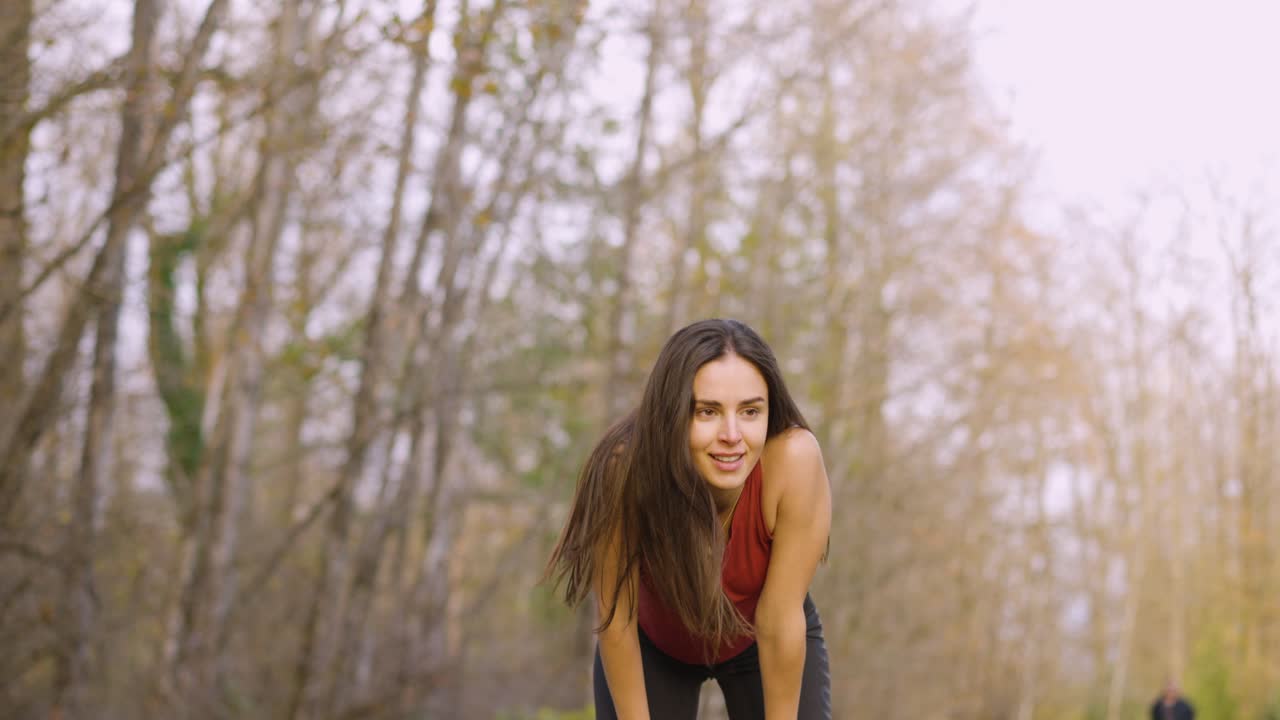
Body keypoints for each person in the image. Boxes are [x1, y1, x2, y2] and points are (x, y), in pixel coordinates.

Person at [545, 318, 833, 719]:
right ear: (672, 414)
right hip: (651, 646)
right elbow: (616, 620)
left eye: (750, 411)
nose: (732, 434)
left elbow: (779, 619)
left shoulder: (794, 461)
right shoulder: (624, 470)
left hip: (761, 638)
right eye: (707, 412)